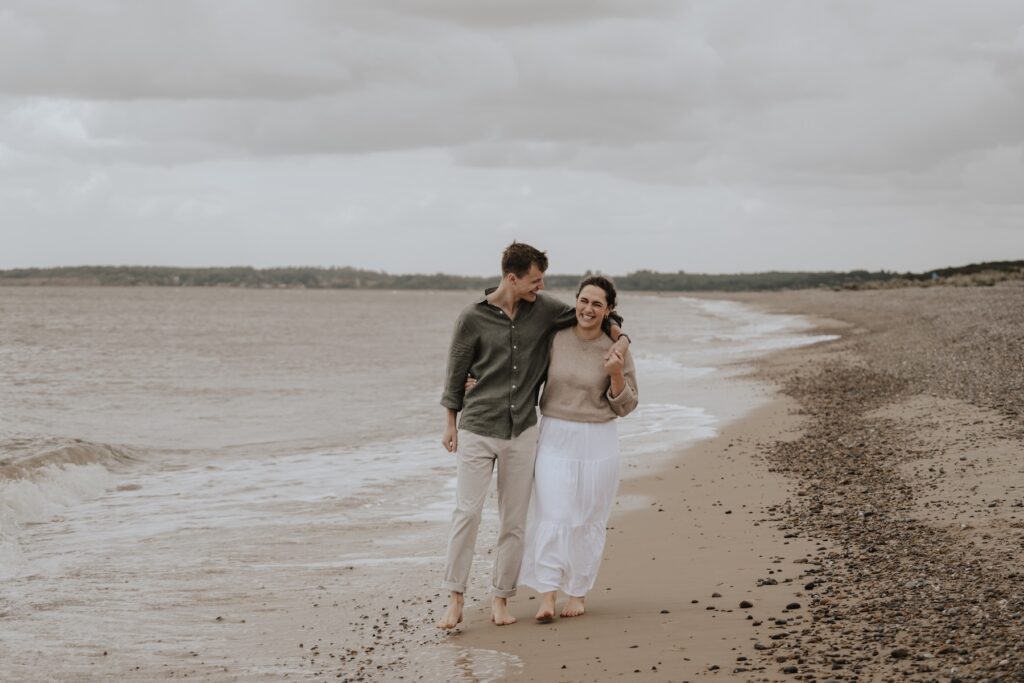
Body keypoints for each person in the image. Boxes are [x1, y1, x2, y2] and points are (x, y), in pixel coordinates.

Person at [436, 243, 630, 630]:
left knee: (515, 521)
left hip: (523, 430)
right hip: (477, 427)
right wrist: (450, 423)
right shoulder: (471, 318)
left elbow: (600, 315)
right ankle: (455, 598)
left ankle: (500, 600)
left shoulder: (544, 310)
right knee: (467, 514)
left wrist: (623, 342)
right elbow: (455, 373)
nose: (540, 287)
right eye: (535, 280)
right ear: (513, 277)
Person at [518, 275, 638, 622]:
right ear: (576, 302)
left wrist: (616, 374)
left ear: (609, 310)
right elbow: (526, 377)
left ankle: (578, 593)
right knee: (553, 515)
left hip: (599, 439)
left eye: (597, 304)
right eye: (584, 301)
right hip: (555, 433)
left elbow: (628, 405)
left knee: (588, 519)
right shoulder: (555, 339)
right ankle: (547, 594)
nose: (588, 309)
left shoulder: (617, 349)